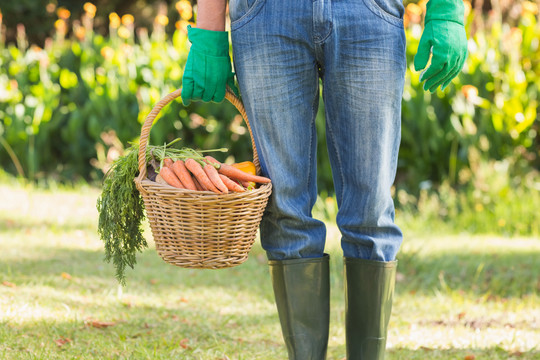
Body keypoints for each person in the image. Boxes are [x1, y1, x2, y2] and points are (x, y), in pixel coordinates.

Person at [181, 0, 467, 358]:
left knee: (371, 213)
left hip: (368, 12)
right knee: (284, 209)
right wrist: (208, 32)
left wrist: (447, 10)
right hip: (265, 15)